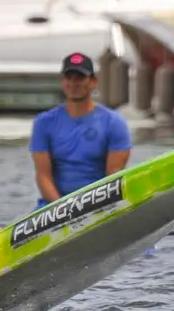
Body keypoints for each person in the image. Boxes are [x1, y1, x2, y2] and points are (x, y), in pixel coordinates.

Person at [28, 52, 132, 210]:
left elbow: (114, 175)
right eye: (68, 78)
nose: (73, 83)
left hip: (98, 205)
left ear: (93, 82)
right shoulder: (43, 123)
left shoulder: (114, 123)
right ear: (63, 82)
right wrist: (63, 209)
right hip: (53, 208)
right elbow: (43, 176)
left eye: (79, 78)